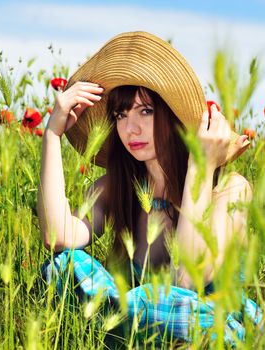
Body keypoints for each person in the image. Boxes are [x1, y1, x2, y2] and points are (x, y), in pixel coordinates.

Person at [37, 31, 260, 344]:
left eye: (146, 111)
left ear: (172, 116)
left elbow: (185, 278)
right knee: (60, 267)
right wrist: (52, 136)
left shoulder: (230, 190)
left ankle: (118, 320)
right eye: (121, 114)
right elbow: (57, 237)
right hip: (136, 323)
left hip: (204, 330)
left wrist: (200, 165)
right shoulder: (117, 187)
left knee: (173, 313)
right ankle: (125, 320)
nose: (131, 128)